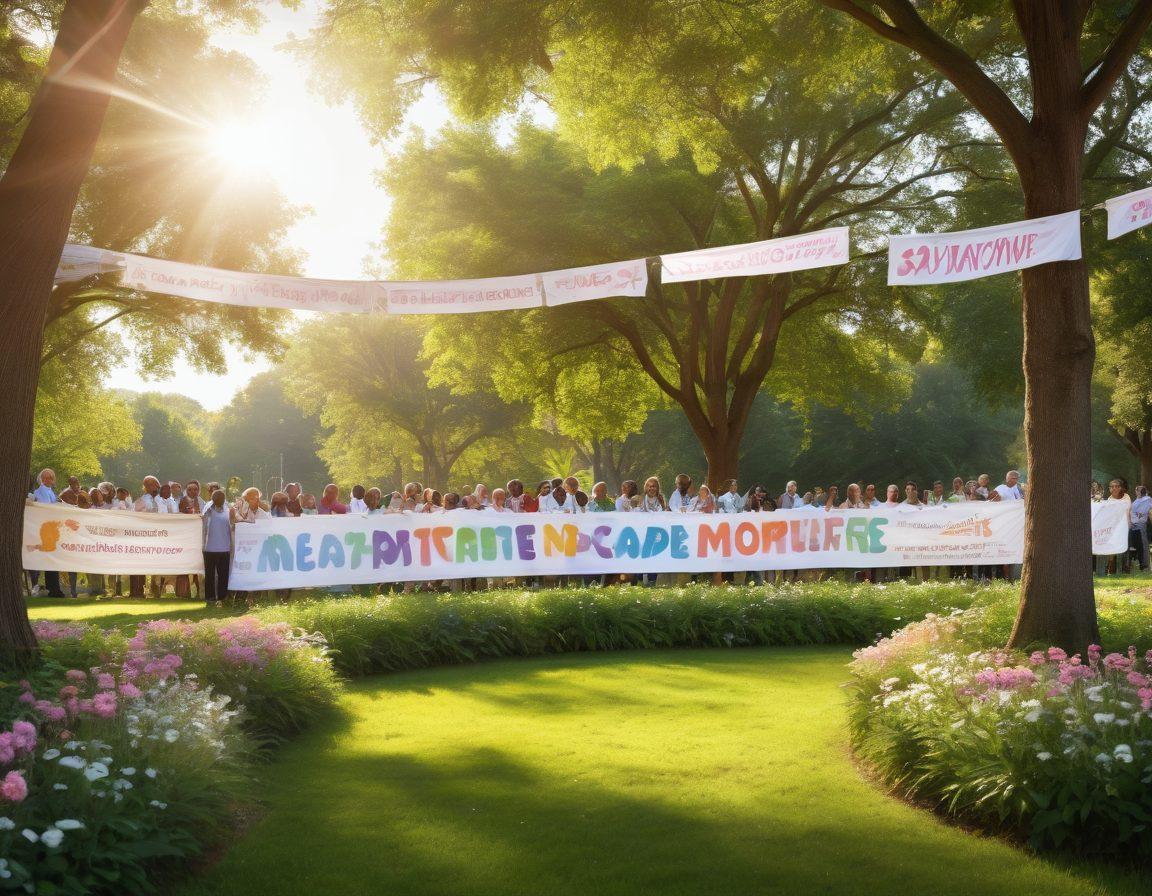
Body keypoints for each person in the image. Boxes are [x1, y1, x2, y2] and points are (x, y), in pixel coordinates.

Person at [30, 469, 65, 597]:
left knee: (51, 558)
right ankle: (53, 588)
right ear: (41, 479)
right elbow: (48, 508)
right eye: (45, 478)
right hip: (46, 528)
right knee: (51, 558)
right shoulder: (41, 491)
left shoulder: (50, 491)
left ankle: (53, 587)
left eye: (50, 477)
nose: (47, 480)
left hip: (51, 527)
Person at [202, 489, 232, 606]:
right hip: (209, 548)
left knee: (223, 574)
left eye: (221, 498)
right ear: (212, 499)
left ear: (224, 499)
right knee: (209, 575)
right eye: (216, 498)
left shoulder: (228, 509)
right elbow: (203, 520)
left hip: (225, 547)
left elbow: (232, 524)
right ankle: (210, 597)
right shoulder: (208, 509)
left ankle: (222, 597)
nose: (219, 500)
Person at [1130, 485, 1150, 573]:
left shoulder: (1146, 499)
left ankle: (1145, 565)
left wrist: (1136, 519)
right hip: (1134, 526)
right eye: (1137, 490)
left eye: (1139, 490)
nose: (1138, 492)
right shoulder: (1137, 500)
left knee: (1143, 545)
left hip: (1140, 525)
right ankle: (1139, 564)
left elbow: (1142, 513)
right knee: (1137, 546)